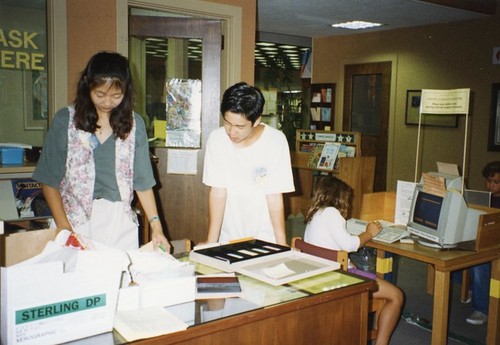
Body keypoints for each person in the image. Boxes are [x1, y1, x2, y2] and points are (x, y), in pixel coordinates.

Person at [33, 51, 170, 252]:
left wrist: (157, 227)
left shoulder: (134, 124)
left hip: (119, 221)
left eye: (116, 96)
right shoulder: (66, 120)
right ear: (87, 86)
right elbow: (49, 182)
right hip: (74, 219)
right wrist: (65, 229)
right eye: (100, 94)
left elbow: (142, 183)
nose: (107, 103)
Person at [304, 176, 404, 345]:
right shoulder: (332, 213)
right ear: (340, 198)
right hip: (337, 279)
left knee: (361, 269)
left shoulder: (315, 214)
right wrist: (369, 233)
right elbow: (350, 245)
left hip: (318, 274)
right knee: (396, 296)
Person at [202, 82, 295, 245]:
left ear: (257, 120)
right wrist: (211, 243)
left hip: (265, 238)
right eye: (227, 123)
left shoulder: (275, 141)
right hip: (228, 238)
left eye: (239, 126)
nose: (231, 132)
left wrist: (282, 245)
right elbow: (218, 193)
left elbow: (274, 196)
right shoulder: (217, 139)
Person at [465, 161, 500, 325]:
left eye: (496, 182)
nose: (491, 185)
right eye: (488, 180)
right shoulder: (484, 198)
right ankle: (475, 289)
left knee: (479, 264)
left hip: (496, 244)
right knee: (459, 252)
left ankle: (482, 308)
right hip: (484, 240)